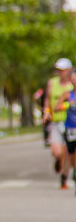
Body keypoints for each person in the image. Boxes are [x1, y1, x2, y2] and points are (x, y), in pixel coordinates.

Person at [44, 59, 74, 189]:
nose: (60, 72)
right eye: (58, 70)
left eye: (63, 70)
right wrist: (46, 112)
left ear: (69, 70)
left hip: (71, 124)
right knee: (57, 152)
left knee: (68, 152)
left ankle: (65, 177)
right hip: (56, 122)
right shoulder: (52, 83)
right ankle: (59, 160)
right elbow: (47, 99)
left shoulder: (72, 85)